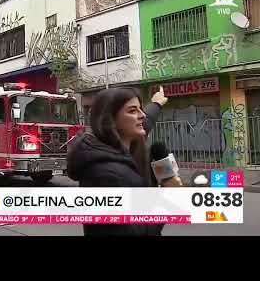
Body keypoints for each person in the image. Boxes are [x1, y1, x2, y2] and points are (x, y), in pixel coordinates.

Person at [67, 87, 180, 236]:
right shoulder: (107, 176)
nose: (142, 115)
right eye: (133, 111)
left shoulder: (121, 145)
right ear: (110, 120)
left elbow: (147, 121)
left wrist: (156, 103)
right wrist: (168, 198)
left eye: (141, 109)